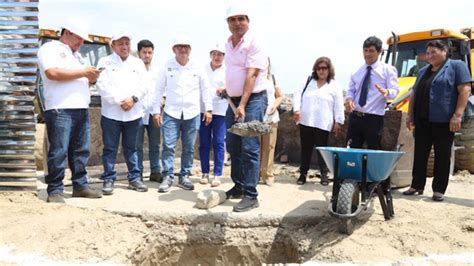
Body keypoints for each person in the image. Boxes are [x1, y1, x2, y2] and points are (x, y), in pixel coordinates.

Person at [37, 20, 102, 203]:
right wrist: (83, 73)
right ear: (67, 33)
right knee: (59, 150)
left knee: (80, 151)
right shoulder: (50, 49)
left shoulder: (77, 56)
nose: (81, 44)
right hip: (60, 108)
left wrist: (92, 78)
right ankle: (55, 190)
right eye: (79, 39)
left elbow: (80, 80)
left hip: (80, 108)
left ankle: (80, 186)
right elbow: (52, 74)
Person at [404, 40, 471, 202]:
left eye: (434, 52)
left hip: (444, 120)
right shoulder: (423, 71)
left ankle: (439, 190)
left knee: (442, 154)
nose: (430, 56)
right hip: (422, 119)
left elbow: (465, 90)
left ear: (445, 51)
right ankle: (416, 185)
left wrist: (457, 115)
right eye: (428, 53)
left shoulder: (456, 66)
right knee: (420, 153)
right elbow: (414, 94)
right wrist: (410, 115)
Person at [151, 34, 213, 193]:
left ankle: (184, 175)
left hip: (192, 113)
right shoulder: (167, 66)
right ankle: (168, 176)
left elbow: (206, 89)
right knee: (168, 146)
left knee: (189, 147)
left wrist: (208, 109)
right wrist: (156, 111)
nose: (183, 50)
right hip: (171, 112)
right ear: (174, 49)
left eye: (186, 47)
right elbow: (158, 90)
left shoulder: (197, 67)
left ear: (190, 49)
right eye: (180, 47)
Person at [224, 6, 268, 212]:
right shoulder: (228, 43)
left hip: (252, 101)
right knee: (233, 145)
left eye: (241, 19)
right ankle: (239, 186)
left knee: (250, 147)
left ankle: (251, 195)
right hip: (233, 101)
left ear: (247, 21)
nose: (237, 23)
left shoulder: (254, 42)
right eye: (232, 19)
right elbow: (234, 71)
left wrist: (242, 104)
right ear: (228, 23)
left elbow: (251, 74)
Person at [96, 31, 148, 195]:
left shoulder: (138, 63)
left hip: (134, 113)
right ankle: (109, 179)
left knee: (132, 148)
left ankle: (134, 178)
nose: (125, 47)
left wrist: (133, 99)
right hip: (111, 114)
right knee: (110, 148)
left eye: (127, 43)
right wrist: (120, 100)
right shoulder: (104, 61)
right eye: (121, 43)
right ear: (113, 46)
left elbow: (145, 85)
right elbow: (101, 85)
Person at [293, 57, 345, 186]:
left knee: (322, 150)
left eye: (324, 68)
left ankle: (324, 174)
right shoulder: (308, 81)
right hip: (306, 120)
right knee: (306, 148)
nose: (321, 71)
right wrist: (296, 109)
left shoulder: (334, 85)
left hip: (323, 122)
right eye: (319, 68)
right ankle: (303, 174)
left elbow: (339, 104)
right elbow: (297, 94)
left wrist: (338, 121)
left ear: (329, 69)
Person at [344, 36, 399, 150]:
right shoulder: (357, 71)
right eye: (365, 50)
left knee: (373, 150)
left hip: (374, 118)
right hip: (356, 117)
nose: (367, 54)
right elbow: (351, 90)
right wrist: (349, 99)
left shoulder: (388, 70)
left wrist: (386, 92)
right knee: (351, 150)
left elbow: (395, 91)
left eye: (371, 51)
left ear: (379, 52)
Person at [198, 44, 227, 187]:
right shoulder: (202, 69)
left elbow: (233, 89)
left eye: (220, 54)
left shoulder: (227, 71)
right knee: (204, 142)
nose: (217, 57)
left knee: (219, 142)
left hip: (220, 111)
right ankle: (204, 172)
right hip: (203, 110)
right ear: (210, 55)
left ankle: (217, 174)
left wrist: (225, 90)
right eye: (214, 54)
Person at [136, 39, 163, 182]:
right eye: (144, 52)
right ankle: (137, 173)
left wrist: (162, 102)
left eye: (150, 52)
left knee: (155, 143)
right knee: (137, 145)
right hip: (137, 112)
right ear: (139, 53)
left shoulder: (158, 71)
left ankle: (155, 171)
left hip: (154, 112)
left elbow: (163, 89)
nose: (147, 55)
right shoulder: (134, 69)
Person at [259, 58, 284, 186]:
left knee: (269, 146)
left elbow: (280, 95)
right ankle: (255, 173)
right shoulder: (253, 76)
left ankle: (267, 174)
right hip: (256, 115)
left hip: (270, 115)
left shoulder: (272, 78)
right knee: (255, 146)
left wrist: (274, 105)